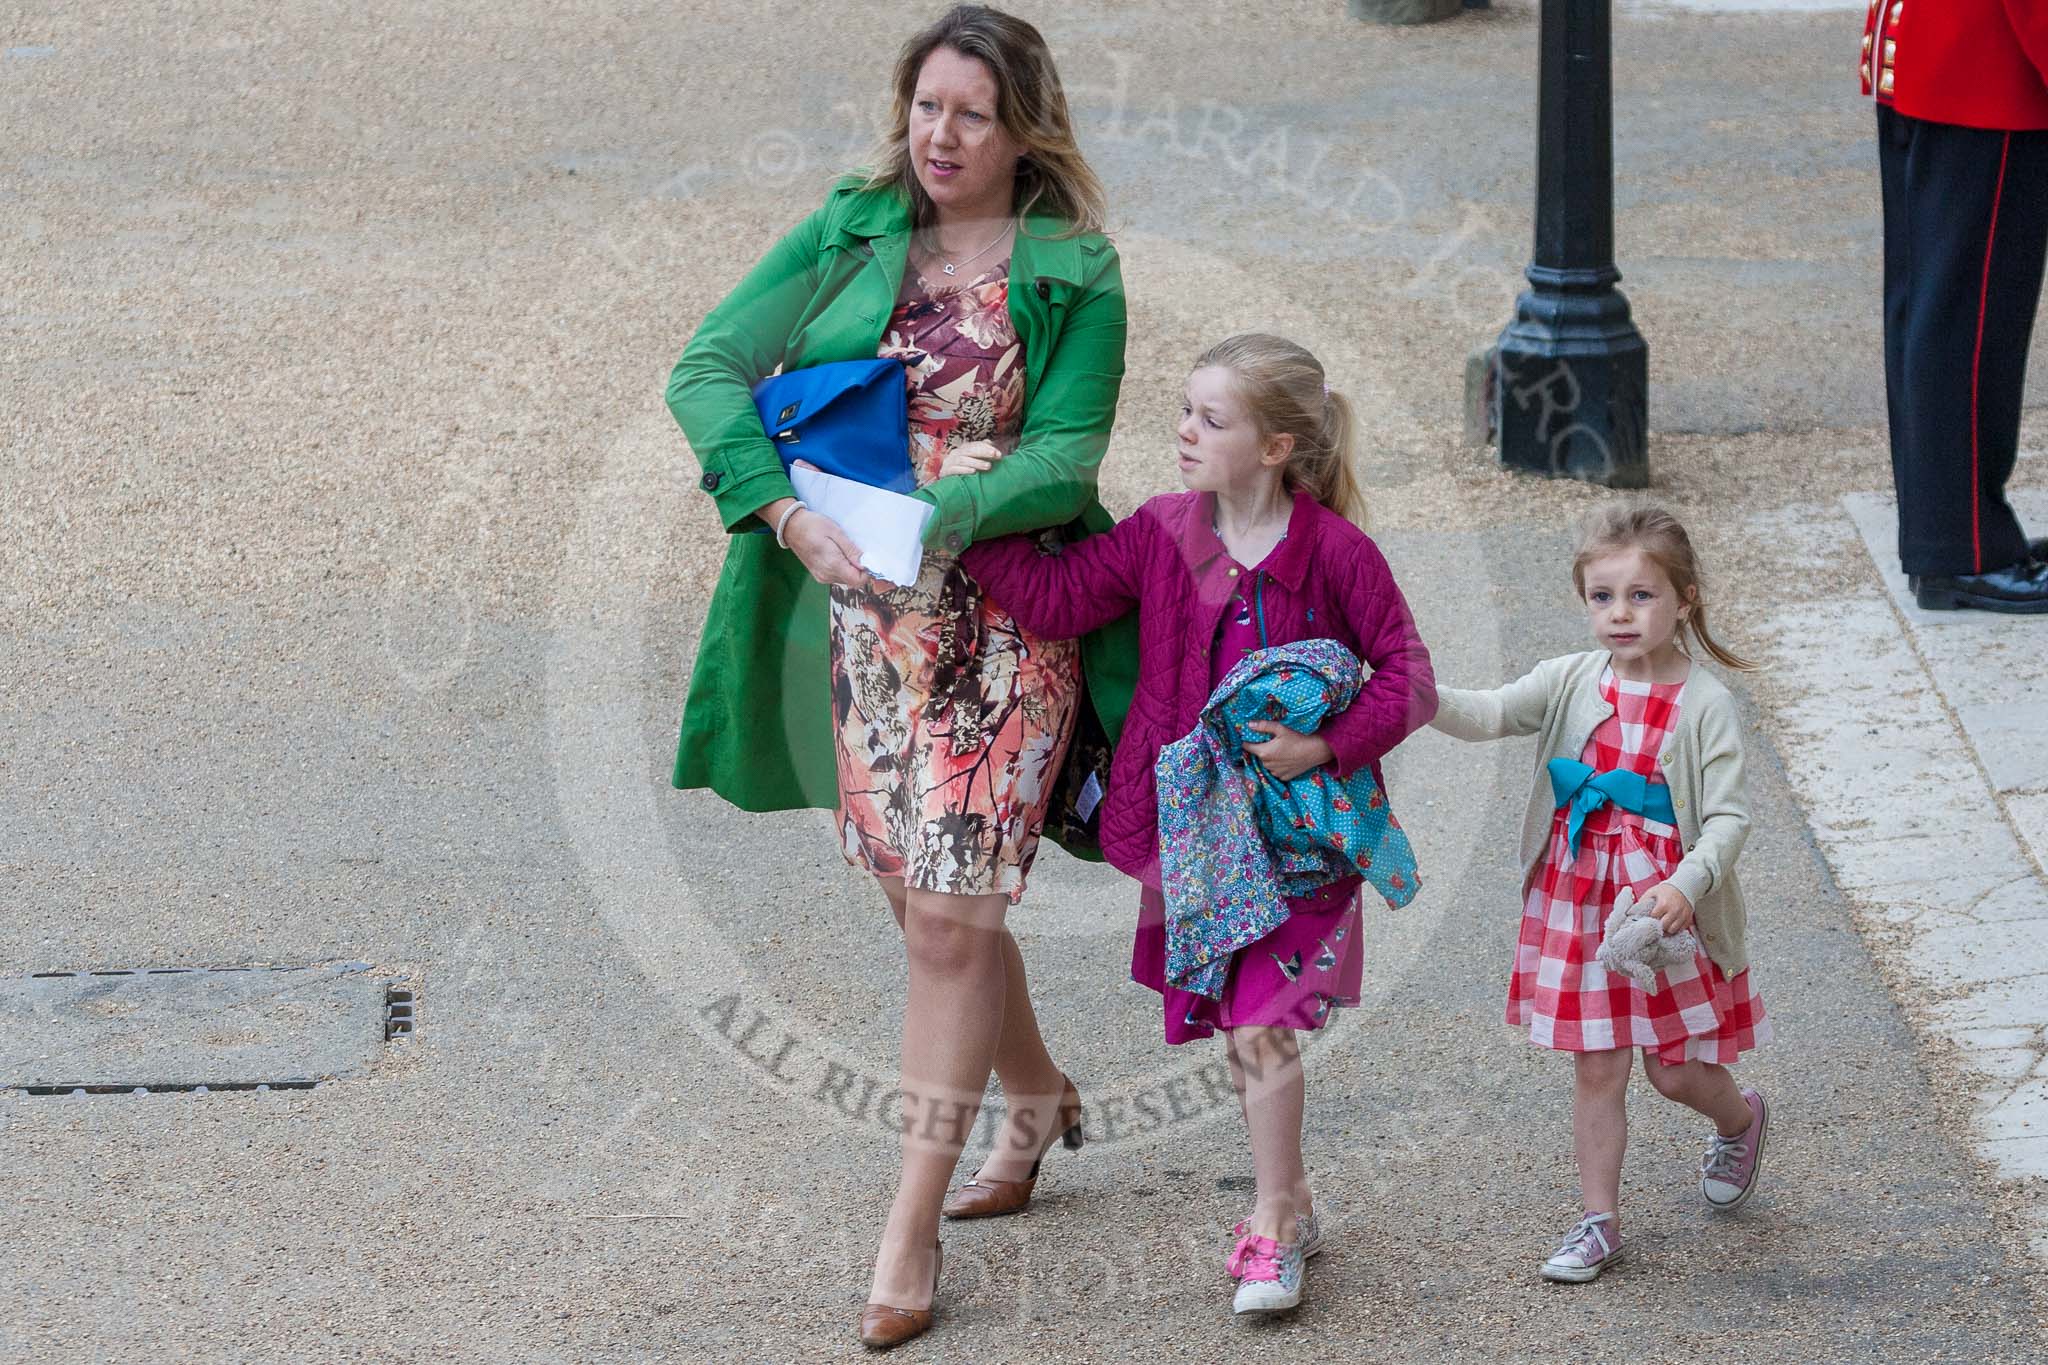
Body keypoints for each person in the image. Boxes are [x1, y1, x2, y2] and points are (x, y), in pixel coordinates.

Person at [662, 6, 1131, 1349]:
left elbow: (1064, 458)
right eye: (927, 105)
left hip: (1009, 626)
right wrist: (798, 514)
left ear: (1021, 128)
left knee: (947, 920)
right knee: (924, 899)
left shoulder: (1075, 268)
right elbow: (709, 369)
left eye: (971, 113)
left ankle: (906, 1232)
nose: (941, 133)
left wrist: (929, 509)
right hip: (866, 627)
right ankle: (1031, 1092)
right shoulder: (851, 225)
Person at [966, 333, 1437, 1315]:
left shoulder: (1336, 554)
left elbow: (1408, 678)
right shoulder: (1162, 530)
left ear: (1273, 448)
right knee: (1242, 1027)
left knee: (1263, 1021)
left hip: (1304, 842)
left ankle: (1271, 1223)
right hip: (1199, 831)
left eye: (1209, 419)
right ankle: (1293, 1201)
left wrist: (1323, 747)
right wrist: (975, 514)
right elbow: (1059, 597)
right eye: (1183, 409)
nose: (1182, 430)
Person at [1429, 505, 1772, 1283]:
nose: (1619, 613)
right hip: (1581, 900)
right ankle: (1599, 1221)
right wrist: (1414, 693)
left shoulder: (1705, 705)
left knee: (1674, 1071)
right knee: (1599, 1065)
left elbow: (1726, 817)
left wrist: (1689, 882)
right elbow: (1487, 713)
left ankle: (1740, 1118)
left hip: (1663, 911)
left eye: (1641, 595)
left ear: (1685, 598)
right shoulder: (1569, 679)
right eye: (1601, 596)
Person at [1863, 0, 2048, 612]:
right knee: (1967, 323)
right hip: (1988, 71)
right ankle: (1963, 552)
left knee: (1929, 308)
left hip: (1930, 54)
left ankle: (1944, 535)